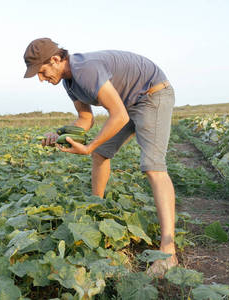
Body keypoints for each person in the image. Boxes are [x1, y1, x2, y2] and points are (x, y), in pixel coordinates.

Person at [23, 37, 177, 276]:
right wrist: (59, 134)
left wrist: (89, 145)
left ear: (55, 59)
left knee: (153, 167)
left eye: (42, 72)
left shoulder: (85, 70)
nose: (41, 79)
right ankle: (97, 209)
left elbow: (119, 117)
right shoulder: (69, 82)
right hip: (127, 104)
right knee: (101, 154)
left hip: (151, 95)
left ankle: (168, 252)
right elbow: (86, 120)